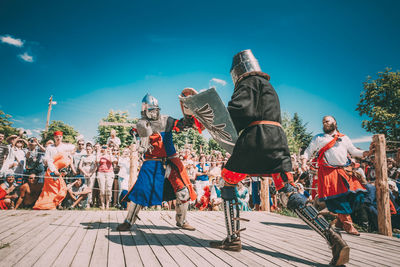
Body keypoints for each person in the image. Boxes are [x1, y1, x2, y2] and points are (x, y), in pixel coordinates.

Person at [209, 50, 349, 266]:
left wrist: (219, 117)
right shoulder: (269, 87)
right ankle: (332, 237)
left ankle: (233, 238)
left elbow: (239, 111)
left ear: (238, 72)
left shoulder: (247, 84)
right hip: (277, 141)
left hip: (254, 140)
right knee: (287, 191)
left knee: (226, 183)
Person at [116, 93, 197, 231]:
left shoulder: (167, 121)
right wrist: (135, 133)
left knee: (183, 192)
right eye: (150, 110)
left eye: (154, 110)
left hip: (171, 162)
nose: (152, 113)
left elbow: (182, 125)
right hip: (151, 164)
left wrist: (188, 117)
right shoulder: (141, 124)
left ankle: (182, 221)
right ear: (145, 110)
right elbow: (136, 133)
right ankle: (129, 221)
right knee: (140, 192)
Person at [301, 115, 370, 237]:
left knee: (358, 195)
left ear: (335, 123)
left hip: (345, 171)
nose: (325, 123)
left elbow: (353, 151)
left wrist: (366, 153)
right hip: (328, 172)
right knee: (339, 199)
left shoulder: (344, 138)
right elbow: (308, 151)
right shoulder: (319, 138)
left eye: (327, 121)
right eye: (323, 122)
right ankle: (348, 224)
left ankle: (339, 221)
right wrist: (303, 162)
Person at [33, 131, 74, 210]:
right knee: (52, 189)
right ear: (54, 138)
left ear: (62, 137)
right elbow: (48, 160)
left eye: (60, 137)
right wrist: (54, 170)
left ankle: (56, 204)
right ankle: (49, 205)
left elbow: (73, 147)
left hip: (60, 171)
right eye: (56, 137)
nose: (58, 138)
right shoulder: (49, 148)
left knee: (61, 188)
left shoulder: (64, 147)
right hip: (51, 171)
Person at [96, 145, 116, 210]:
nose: (104, 149)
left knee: (108, 189)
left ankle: (107, 204)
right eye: (103, 148)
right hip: (101, 173)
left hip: (109, 173)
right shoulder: (100, 155)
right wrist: (98, 151)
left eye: (105, 148)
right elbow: (97, 160)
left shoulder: (110, 155)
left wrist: (109, 152)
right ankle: (102, 204)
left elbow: (112, 160)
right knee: (102, 189)